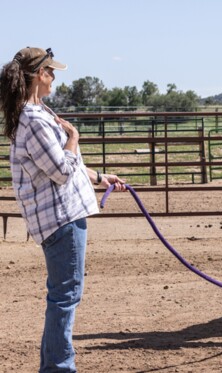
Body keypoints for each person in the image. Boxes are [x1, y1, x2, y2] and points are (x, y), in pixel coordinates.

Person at [0, 47, 126, 372]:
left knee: (63, 295)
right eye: (50, 71)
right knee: (65, 297)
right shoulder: (34, 120)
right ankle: (58, 368)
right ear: (39, 75)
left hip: (59, 218)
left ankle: (54, 366)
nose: (54, 77)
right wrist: (74, 138)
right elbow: (61, 170)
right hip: (61, 219)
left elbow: (60, 165)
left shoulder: (34, 114)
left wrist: (100, 176)